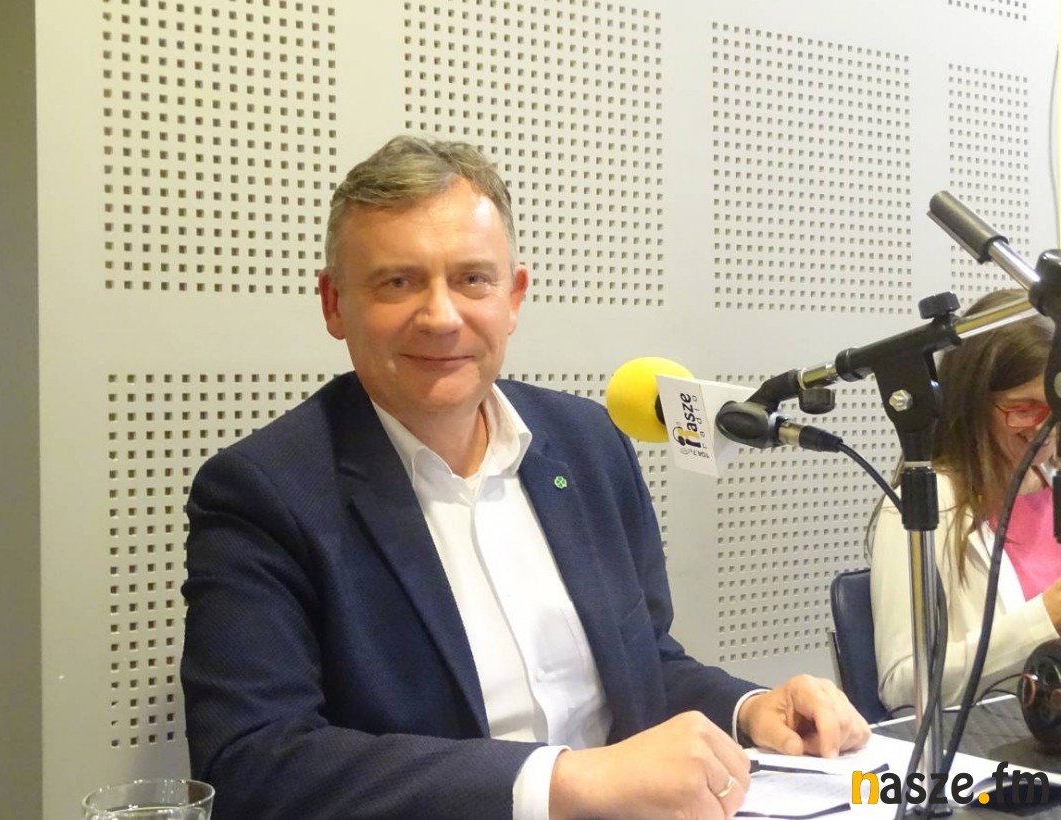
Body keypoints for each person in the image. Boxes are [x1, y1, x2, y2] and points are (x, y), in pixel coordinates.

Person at [180, 135, 870, 820]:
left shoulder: (590, 445)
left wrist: (750, 709)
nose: (441, 317)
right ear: (335, 304)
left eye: (472, 280)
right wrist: (562, 783)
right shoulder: (265, 492)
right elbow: (253, 763)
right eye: (398, 282)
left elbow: (641, 666)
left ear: (513, 297)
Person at [870, 288, 1061, 712]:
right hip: (999, 740)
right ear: (973, 403)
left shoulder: (1053, 483)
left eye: (1056, 408)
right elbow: (904, 687)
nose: (1045, 429)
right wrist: (1044, 619)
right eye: (1024, 408)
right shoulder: (923, 506)